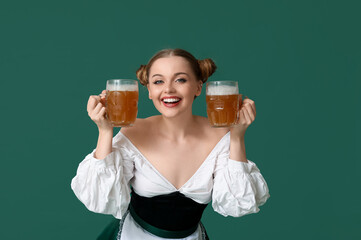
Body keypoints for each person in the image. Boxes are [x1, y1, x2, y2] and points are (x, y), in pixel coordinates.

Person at [71, 49, 270, 240]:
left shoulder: (221, 135)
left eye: (180, 79)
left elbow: (237, 205)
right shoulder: (134, 131)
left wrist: (237, 136)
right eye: (158, 81)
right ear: (149, 90)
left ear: (199, 87)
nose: (168, 89)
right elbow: (101, 199)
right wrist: (105, 130)